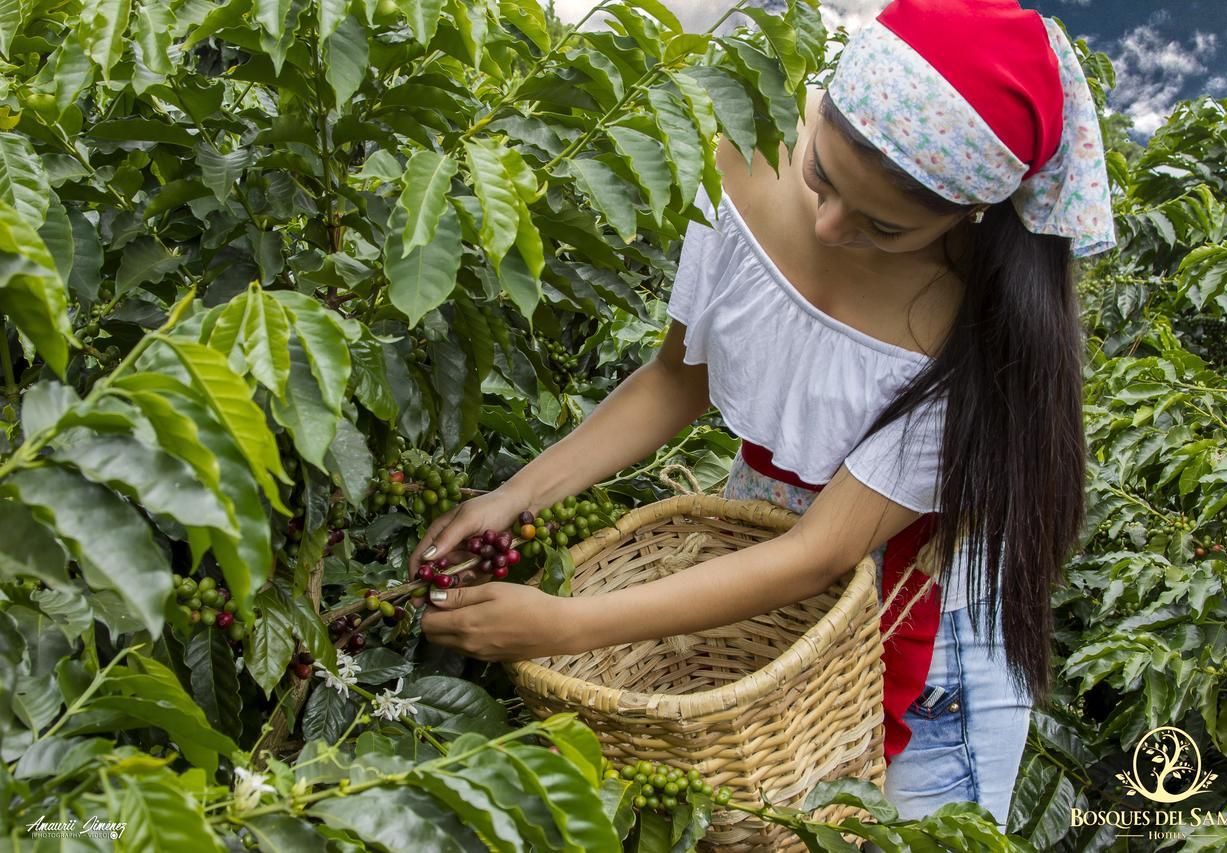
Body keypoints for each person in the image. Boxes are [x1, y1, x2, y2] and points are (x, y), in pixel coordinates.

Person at [410, 0, 1115, 827]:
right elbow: (677, 377)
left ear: (969, 215)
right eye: (821, 174)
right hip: (751, 597)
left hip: (922, 659)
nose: (827, 223)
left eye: (883, 226)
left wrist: (561, 625)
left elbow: (820, 553)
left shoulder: (974, 334)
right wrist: (515, 498)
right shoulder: (746, 153)